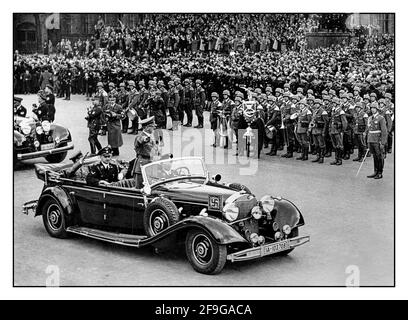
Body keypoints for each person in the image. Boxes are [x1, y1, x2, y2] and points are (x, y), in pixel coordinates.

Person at [132, 116, 159, 189]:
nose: (154, 128)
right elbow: (140, 140)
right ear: (147, 127)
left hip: (151, 162)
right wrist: (145, 139)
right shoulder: (140, 136)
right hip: (143, 163)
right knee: (140, 186)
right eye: (152, 126)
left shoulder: (152, 136)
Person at [365, 102, 388, 179]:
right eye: (371, 108)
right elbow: (369, 130)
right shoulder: (370, 118)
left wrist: (383, 142)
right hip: (371, 140)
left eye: (374, 108)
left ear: (377, 109)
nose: (372, 109)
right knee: (374, 156)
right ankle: (375, 171)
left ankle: (380, 172)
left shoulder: (381, 118)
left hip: (378, 140)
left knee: (379, 156)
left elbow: (384, 131)